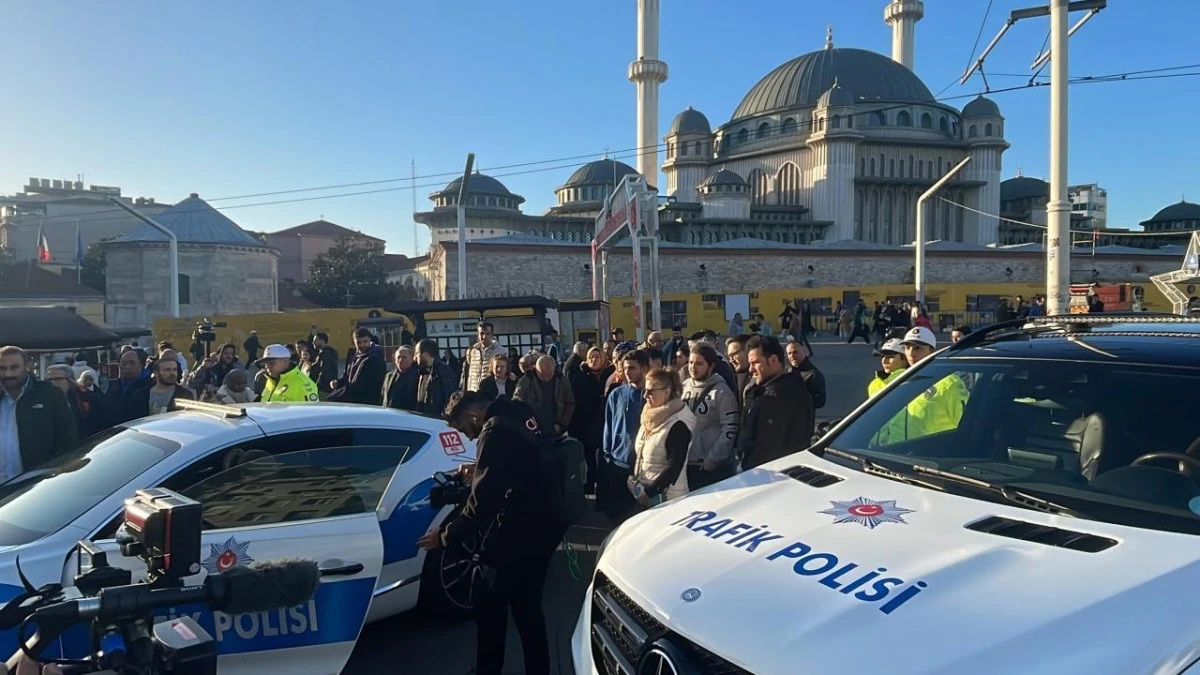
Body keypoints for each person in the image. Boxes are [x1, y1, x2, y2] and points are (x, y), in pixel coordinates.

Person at [418, 391, 561, 675]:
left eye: (463, 429)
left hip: (513, 533)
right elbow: (526, 458)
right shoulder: (521, 407)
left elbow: (482, 502)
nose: (468, 437)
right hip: (545, 525)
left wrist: (446, 536)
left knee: (489, 608)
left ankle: (487, 669)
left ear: (473, 415)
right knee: (529, 610)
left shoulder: (493, 432)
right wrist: (481, 468)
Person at [736, 336, 814, 470]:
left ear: (773, 360)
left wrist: (747, 470)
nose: (751, 370)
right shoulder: (773, 389)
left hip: (768, 475)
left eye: (755, 363)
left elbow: (767, 449)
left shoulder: (777, 397)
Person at [0, 346, 77, 479]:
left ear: (27, 367)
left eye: (14, 367)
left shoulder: (49, 394)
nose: (8, 374)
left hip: (37, 486)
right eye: (2, 368)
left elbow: (68, 440)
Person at [598, 349, 649, 525]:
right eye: (625, 368)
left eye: (632, 368)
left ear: (644, 369)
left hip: (641, 464)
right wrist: (607, 454)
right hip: (618, 462)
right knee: (617, 514)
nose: (628, 372)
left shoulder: (652, 395)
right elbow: (609, 425)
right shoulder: (616, 394)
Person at [630, 368, 693, 507]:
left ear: (667, 391)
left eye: (651, 391)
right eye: (644, 390)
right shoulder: (649, 417)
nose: (645, 396)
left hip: (668, 499)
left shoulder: (678, 424)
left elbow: (674, 466)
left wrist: (649, 492)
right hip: (645, 493)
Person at [681, 344, 739, 490]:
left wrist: (714, 458)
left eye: (699, 363)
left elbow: (731, 427)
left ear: (711, 366)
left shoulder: (722, 392)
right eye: (691, 362)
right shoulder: (684, 386)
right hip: (686, 463)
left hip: (708, 466)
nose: (693, 367)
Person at [513, 355, 575, 437]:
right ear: (535, 369)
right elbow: (516, 404)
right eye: (542, 376)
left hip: (555, 427)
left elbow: (570, 403)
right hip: (531, 429)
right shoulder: (525, 382)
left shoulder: (562, 381)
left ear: (554, 369)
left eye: (549, 376)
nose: (546, 379)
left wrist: (561, 424)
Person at [329, 328, 386, 404]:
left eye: (365, 341)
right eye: (359, 342)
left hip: (368, 402)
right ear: (354, 342)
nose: (362, 345)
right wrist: (338, 383)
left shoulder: (376, 359)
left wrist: (337, 395)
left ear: (370, 340)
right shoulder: (354, 356)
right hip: (353, 399)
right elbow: (347, 377)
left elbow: (363, 385)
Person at [414, 338, 456, 416]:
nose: (415, 358)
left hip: (437, 419)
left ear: (425, 354)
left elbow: (449, 397)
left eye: (416, 353)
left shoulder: (444, 371)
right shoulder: (421, 372)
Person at [460, 322, 505, 392]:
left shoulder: (499, 351)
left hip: (491, 393)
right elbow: (466, 372)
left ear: (492, 335)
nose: (484, 337)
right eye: (482, 333)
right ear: (477, 334)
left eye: (487, 333)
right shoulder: (471, 351)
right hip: (473, 392)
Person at [381, 346, 418, 410]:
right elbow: (383, 396)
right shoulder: (389, 376)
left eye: (404, 357)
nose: (400, 360)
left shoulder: (417, 376)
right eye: (398, 357)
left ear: (412, 359)